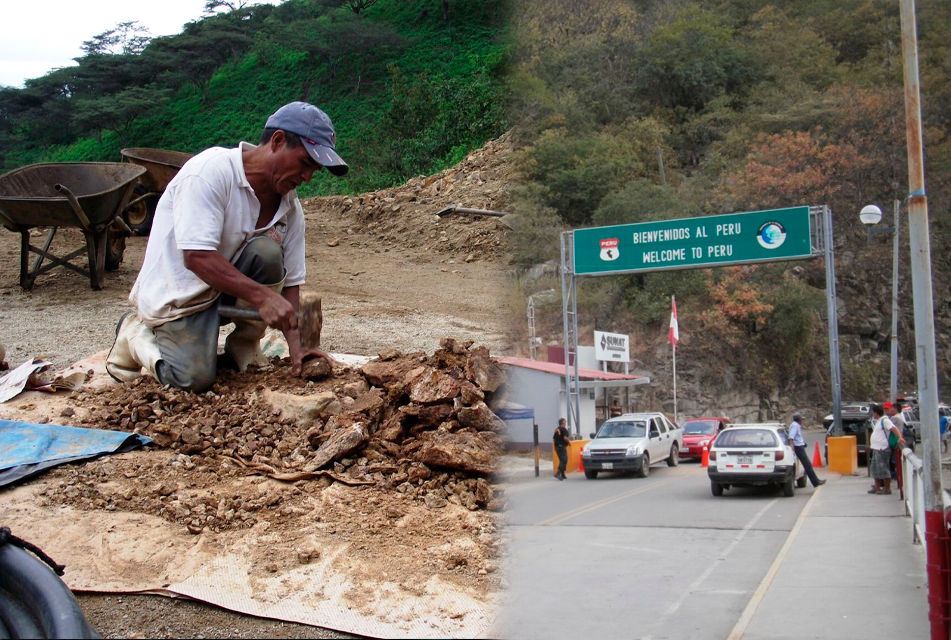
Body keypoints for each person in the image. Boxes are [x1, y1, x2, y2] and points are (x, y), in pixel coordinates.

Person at [106, 102, 348, 392]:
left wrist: (298, 346)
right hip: (179, 295)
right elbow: (196, 257)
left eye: (315, 170)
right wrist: (262, 297)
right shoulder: (210, 172)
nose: (308, 177)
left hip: (225, 292)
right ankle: (133, 333)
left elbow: (292, 281)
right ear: (278, 141)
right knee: (193, 380)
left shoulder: (290, 208)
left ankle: (244, 344)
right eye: (305, 163)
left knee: (269, 253)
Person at [869, 403, 906, 495]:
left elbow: (894, 429)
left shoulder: (885, 421)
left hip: (882, 448)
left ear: (875, 413)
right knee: (875, 468)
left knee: (883, 468)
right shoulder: (879, 421)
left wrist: (899, 437)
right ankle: (877, 487)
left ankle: (887, 488)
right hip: (876, 448)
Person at [787, 412, 826, 489]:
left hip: (800, 446)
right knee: (807, 465)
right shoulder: (795, 426)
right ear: (799, 419)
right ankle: (815, 482)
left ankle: (816, 481)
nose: (802, 421)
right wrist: (792, 447)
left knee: (807, 465)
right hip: (798, 448)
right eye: (802, 419)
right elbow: (791, 437)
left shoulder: (796, 425)